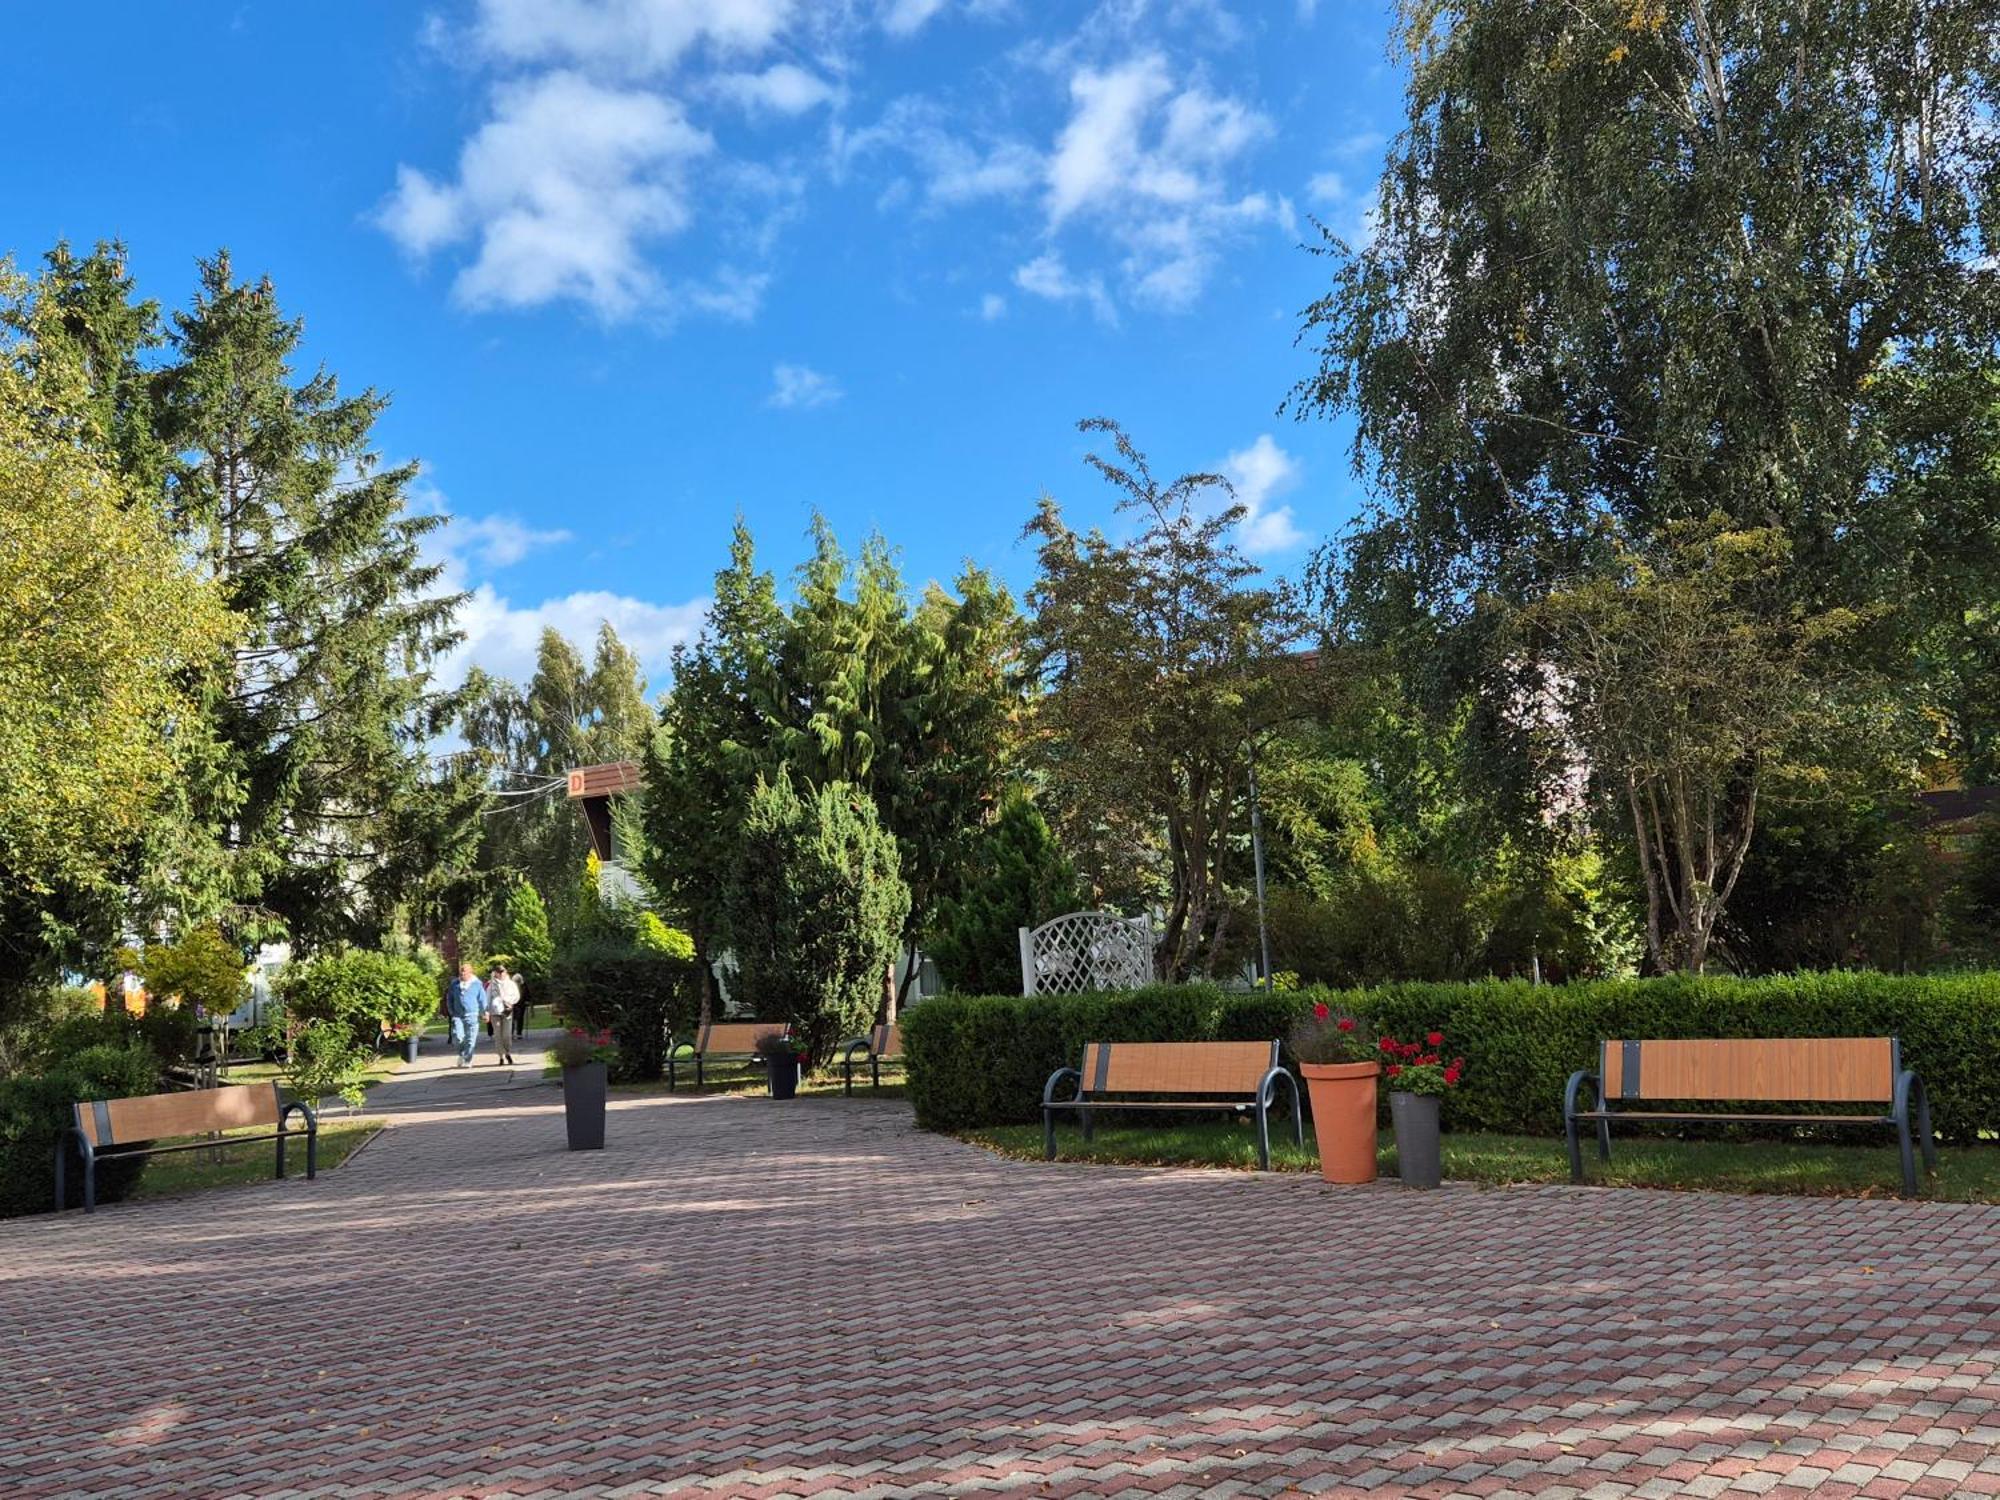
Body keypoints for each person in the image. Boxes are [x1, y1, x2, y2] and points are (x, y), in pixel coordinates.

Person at [444, 962, 487, 1068]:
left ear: (470, 973)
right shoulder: (454, 984)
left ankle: (468, 1059)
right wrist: (451, 1012)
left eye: (464, 972)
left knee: (470, 1039)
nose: (462, 974)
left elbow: (482, 1000)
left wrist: (484, 1013)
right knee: (458, 1037)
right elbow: (449, 998)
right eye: (461, 972)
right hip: (457, 1015)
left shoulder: (477, 984)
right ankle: (461, 1054)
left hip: (472, 1015)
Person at [486, 965, 516, 1065]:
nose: (501, 974)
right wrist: (487, 1012)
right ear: (496, 973)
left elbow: (516, 996)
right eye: (499, 972)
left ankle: (507, 1052)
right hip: (495, 1012)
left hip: (507, 1011)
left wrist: (510, 1002)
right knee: (497, 1035)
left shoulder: (511, 984)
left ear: (505, 972)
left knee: (506, 1035)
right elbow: (488, 998)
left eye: (502, 972)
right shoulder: (491, 985)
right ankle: (501, 1056)